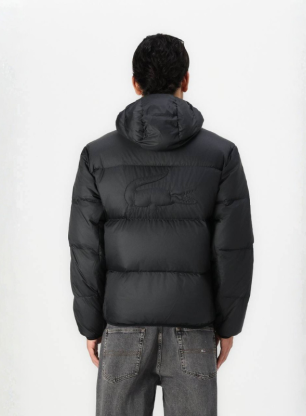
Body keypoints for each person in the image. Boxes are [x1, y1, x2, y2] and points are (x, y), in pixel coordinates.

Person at [68, 33, 254, 416]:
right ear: (185, 79)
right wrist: (228, 325)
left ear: (135, 84)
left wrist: (91, 325)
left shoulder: (96, 156)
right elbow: (232, 250)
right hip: (193, 327)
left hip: (122, 328)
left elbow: (86, 248)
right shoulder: (221, 155)